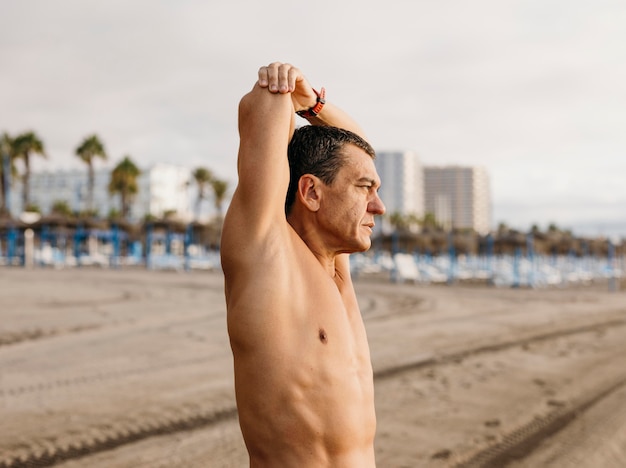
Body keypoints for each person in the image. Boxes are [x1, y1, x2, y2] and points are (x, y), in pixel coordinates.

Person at [221, 62, 386, 467]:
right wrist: (281, 87)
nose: (378, 207)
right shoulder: (266, 255)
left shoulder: (336, 267)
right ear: (311, 192)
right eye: (365, 189)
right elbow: (261, 113)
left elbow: (356, 148)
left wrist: (313, 104)